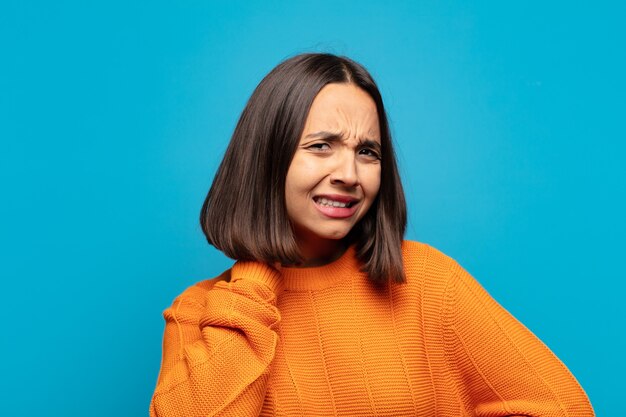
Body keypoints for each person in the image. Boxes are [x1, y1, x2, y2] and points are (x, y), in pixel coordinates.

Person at [149, 53, 594, 417]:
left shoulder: (427, 282)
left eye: (367, 152)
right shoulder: (200, 314)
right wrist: (254, 276)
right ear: (267, 157)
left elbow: (563, 408)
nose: (349, 174)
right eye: (321, 145)